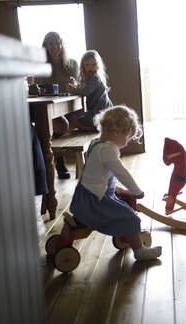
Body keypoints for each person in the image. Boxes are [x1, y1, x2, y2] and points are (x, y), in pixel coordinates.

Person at [69, 105, 162, 261]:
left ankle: (124, 234)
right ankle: (139, 251)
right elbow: (122, 173)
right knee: (131, 217)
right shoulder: (108, 149)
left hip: (86, 195)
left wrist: (114, 188)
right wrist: (136, 191)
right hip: (95, 202)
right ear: (117, 131)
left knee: (123, 200)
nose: (126, 142)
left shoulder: (95, 143)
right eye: (127, 137)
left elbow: (97, 175)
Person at [34, 31, 80, 179]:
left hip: (69, 104)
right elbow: (37, 89)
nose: (55, 46)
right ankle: (59, 162)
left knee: (65, 123)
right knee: (54, 124)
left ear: (62, 44)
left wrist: (74, 84)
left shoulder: (72, 64)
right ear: (45, 46)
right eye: (51, 43)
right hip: (51, 105)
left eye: (57, 42)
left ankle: (59, 160)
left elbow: (79, 85)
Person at [66, 49, 114, 131]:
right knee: (77, 117)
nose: (90, 68)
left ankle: (91, 128)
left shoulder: (96, 78)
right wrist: (75, 85)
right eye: (87, 65)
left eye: (93, 65)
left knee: (73, 118)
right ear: (83, 67)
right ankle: (91, 127)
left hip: (101, 113)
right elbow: (84, 88)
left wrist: (72, 89)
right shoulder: (91, 79)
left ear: (98, 65)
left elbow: (85, 91)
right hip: (99, 112)